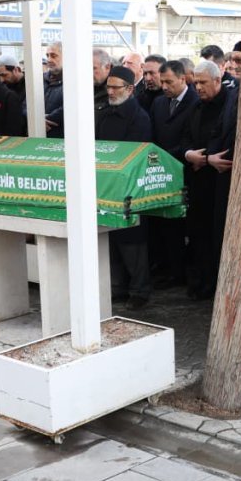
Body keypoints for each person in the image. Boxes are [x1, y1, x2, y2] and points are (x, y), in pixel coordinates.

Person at [97, 66, 153, 309]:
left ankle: (139, 290)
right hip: (106, 183)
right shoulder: (103, 112)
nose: (110, 91)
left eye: (115, 87)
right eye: (108, 86)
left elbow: (137, 153)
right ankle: (118, 286)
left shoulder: (139, 117)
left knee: (132, 241)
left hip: (129, 185)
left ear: (130, 89)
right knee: (111, 238)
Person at [180, 62, 234, 299]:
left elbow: (228, 141)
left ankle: (217, 284)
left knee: (218, 236)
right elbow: (185, 139)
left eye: (203, 83)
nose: (198, 88)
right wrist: (189, 154)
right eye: (196, 83)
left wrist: (209, 158)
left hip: (221, 182)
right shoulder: (196, 107)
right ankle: (201, 282)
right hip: (198, 180)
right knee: (198, 234)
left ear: (217, 80)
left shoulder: (231, 104)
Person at [147, 60, 198, 287]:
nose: (164, 86)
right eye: (162, 82)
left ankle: (181, 272)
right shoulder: (159, 102)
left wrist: (168, 156)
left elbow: (192, 138)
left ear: (182, 79)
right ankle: (166, 267)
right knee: (163, 224)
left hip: (185, 171)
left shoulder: (195, 102)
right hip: (161, 172)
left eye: (169, 82)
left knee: (181, 226)